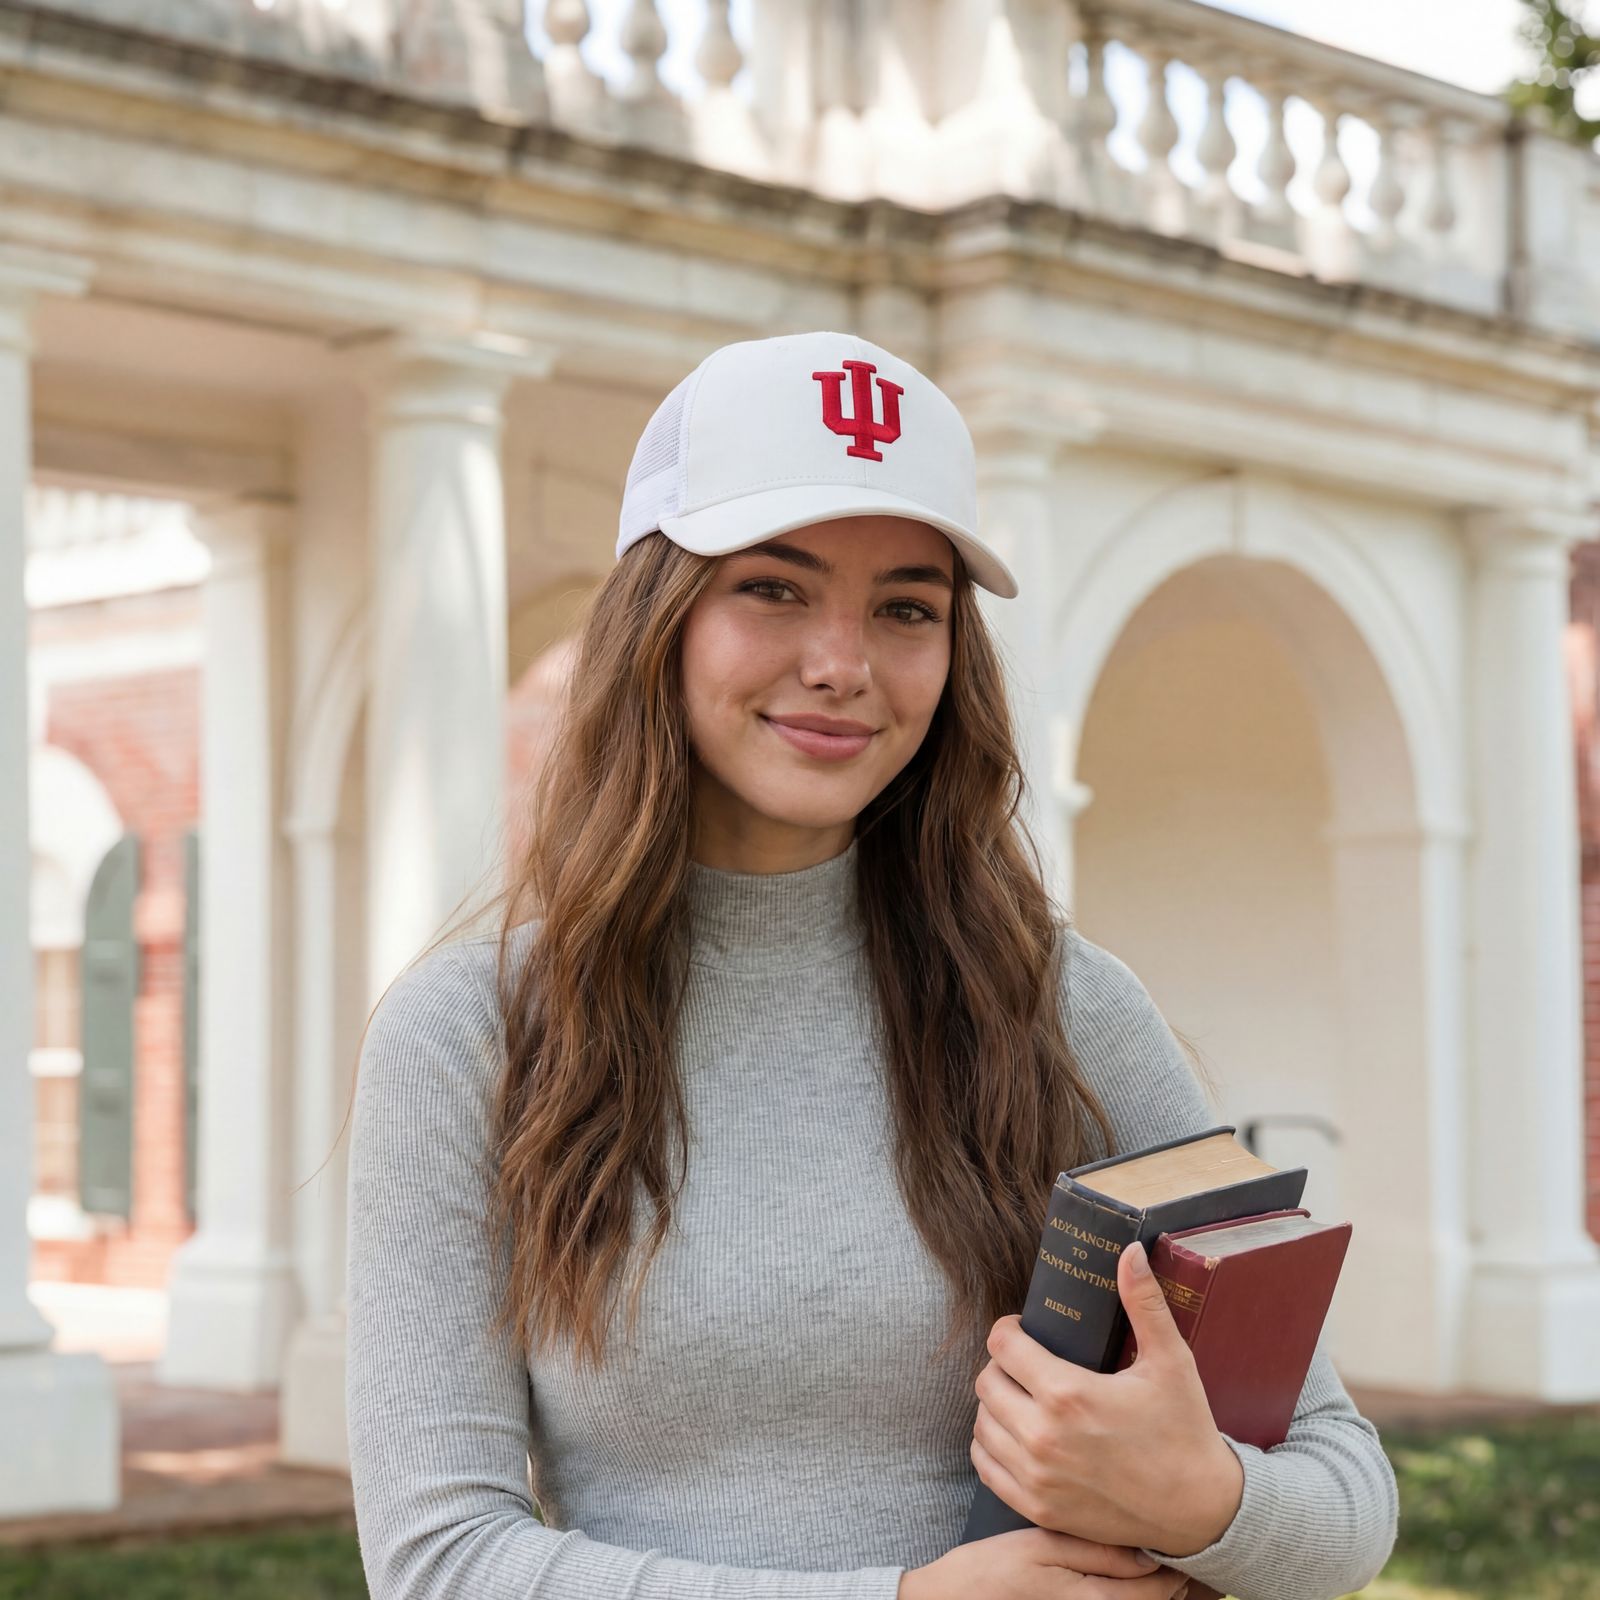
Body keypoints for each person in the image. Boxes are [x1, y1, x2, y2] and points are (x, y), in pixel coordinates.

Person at [344, 330, 1399, 1600]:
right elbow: (440, 1563)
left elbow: (1347, 1501)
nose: (843, 665)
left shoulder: (1063, 1008)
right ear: (658, 619)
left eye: (907, 606)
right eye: (773, 589)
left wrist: (1199, 1495)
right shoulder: (469, 1036)